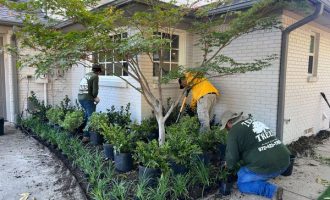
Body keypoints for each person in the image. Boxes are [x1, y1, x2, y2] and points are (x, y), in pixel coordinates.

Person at [220, 111, 291, 200]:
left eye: (226, 127)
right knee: (246, 169)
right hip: (285, 161)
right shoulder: (253, 121)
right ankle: (268, 174)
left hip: (271, 166)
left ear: (229, 123)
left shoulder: (234, 131)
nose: (227, 130)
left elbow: (232, 159)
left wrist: (227, 165)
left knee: (242, 182)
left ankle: (272, 191)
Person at [78, 64, 102, 142]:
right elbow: (95, 91)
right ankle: (86, 136)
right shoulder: (95, 76)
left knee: (86, 115)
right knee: (90, 117)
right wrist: (95, 97)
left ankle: (79, 130)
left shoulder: (87, 75)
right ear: (98, 71)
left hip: (80, 98)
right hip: (88, 99)